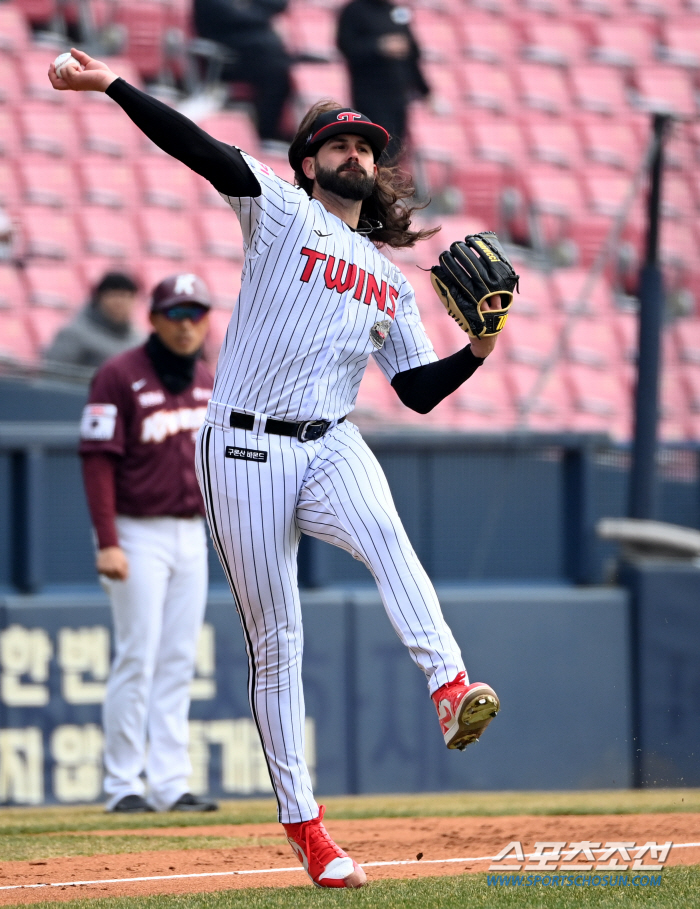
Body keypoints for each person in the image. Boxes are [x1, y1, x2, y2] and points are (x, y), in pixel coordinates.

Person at [50, 50, 503, 882]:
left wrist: (476, 348)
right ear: (307, 162)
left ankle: (450, 687)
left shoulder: (391, 281)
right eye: (338, 144)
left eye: (367, 145)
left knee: (388, 536)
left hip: (330, 438)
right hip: (244, 446)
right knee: (278, 640)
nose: (356, 154)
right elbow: (196, 147)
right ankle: (308, 828)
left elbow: (417, 392)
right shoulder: (280, 207)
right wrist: (113, 84)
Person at [78, 272, 218, 814]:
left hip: (190, 531)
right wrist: (108, 540)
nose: (187, 326)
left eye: (196, 314)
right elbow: (97, 461)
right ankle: (123, 785)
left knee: (180, 658)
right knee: (138, 655)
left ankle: (169, 782)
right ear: (155, 319)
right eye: (176, 315)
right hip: (135, 531)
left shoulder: (206, 378)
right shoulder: (118, 375)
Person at [337, 0, 429, 161]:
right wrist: (378, 47)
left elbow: (412, 53)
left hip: (399, 94)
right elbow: (347, 46)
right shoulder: (354, 10)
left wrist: (425, 90)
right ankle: (372, 184)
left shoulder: (397, 11)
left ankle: (387, 184)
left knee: (396, 146)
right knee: (378, 145)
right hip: (370, 93)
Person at [193, 0, 292, 143]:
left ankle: (273, 134)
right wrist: (254, 10)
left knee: (282, 67)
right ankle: (265, 135)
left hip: (260, 56)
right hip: (227, 58)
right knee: (276, 69)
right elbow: (237, 17)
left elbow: (278, 4)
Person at [44, 271, 143, 372]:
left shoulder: (139, 340)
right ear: (99, 299)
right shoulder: (74, 334)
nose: (120, 303)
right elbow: (53, 375)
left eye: (126, 296)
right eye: (113, 296)